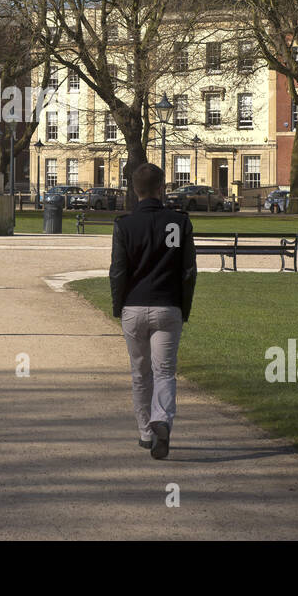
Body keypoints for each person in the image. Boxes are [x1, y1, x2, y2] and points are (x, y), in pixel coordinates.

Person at [109, 162, 197, 460]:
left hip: (134, 305)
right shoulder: (179, 222)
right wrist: (183, 307)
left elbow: (118, 271)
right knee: (164, 371)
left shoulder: (124, 224)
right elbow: (188, 271)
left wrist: (117, 306)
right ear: (162, 188)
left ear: (135, 191)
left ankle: (146, 432)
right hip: (167, 305)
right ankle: (163, 420)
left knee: (140, 373)